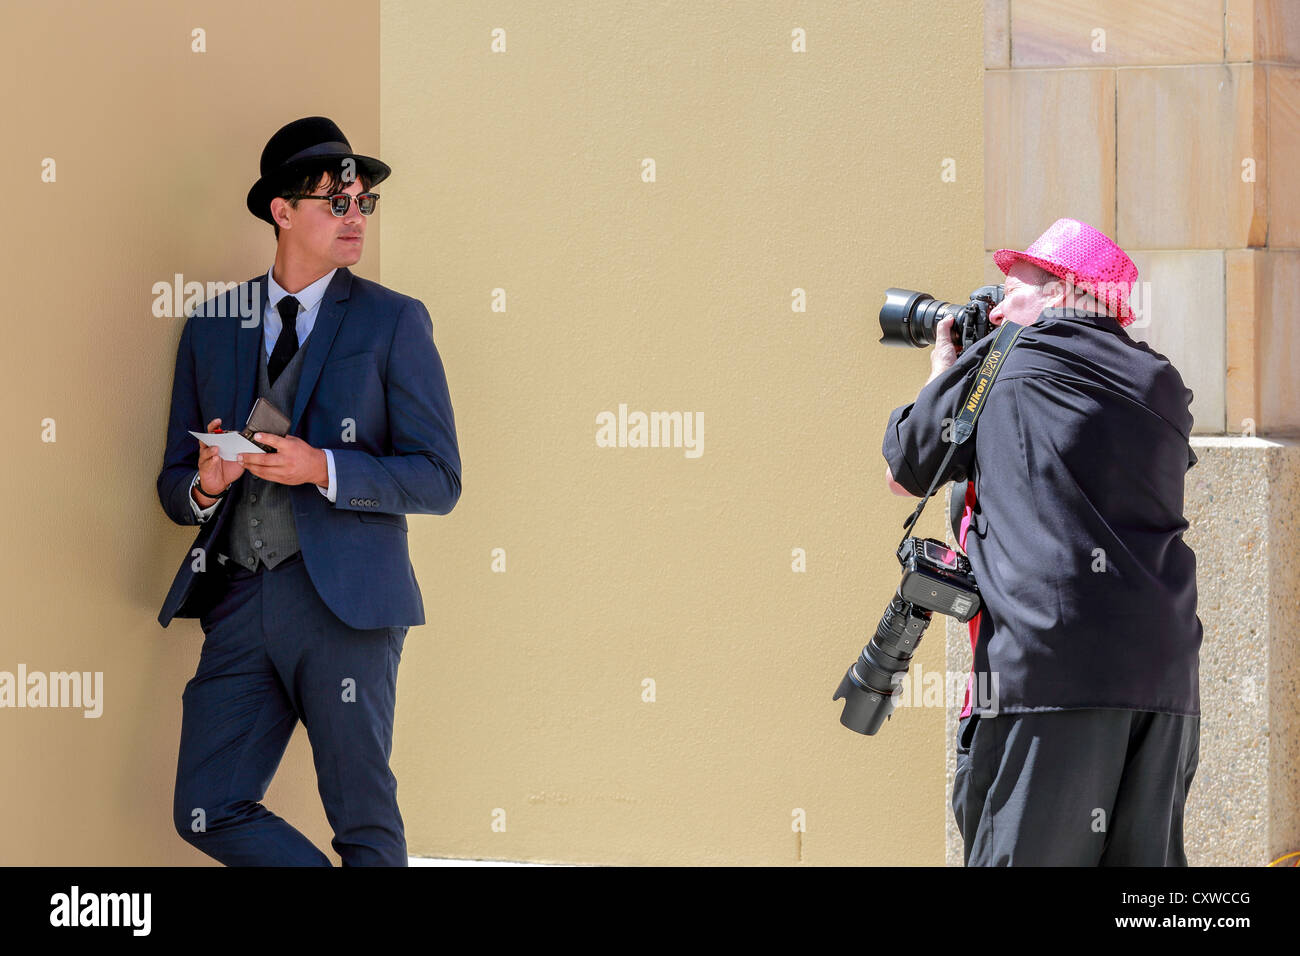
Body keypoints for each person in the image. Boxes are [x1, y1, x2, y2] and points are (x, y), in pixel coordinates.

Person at [155, 116, 462, 865]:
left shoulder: (394, 321)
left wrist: (322, 467)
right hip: (239, 598)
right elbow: (172, 482)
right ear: (282, 211)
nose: (356, 217)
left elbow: (439, 477)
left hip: (347, 606)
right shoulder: (212, 325)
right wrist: (205, 485)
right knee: (206, 808)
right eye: (336, 202)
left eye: (364, 203)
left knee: (363, 820)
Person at [881, 218, 1201, 866]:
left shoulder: (1006, 356)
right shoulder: (1161, 383)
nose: (997, 310)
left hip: (1047, 672)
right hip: (1165, 682)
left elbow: (904, 471)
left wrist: (944, 369)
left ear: (1061, 291)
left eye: (1011, 292)